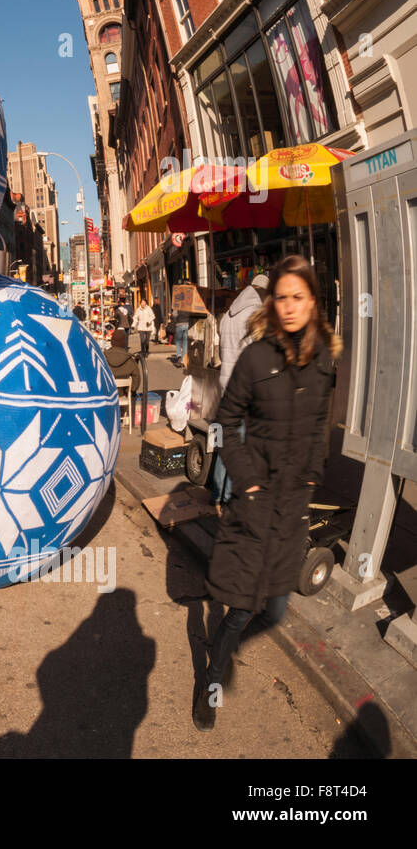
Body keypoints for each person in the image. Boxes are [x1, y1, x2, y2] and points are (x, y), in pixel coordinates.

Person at [193, 255, 341, 732]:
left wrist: (314, 472)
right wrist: (248, 480)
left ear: (313, 302)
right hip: (255, 503)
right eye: (281, 297)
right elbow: (225, 421)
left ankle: (225, 645)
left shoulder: (322, 359)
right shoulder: (257, 358)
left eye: (298, 297)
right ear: (271, 303)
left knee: (275, 609)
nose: (290, 306)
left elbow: (319, 421)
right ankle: (212, 680)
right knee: (240, 608)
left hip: (293, 506)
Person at [211, 273, 270, 508]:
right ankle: (229, 495)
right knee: (240, 442)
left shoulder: (228, 315)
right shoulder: (255, 315)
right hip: (245, 387)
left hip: (226, 383)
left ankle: (217, 491)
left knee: (225, 439)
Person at [105, 328, 143, 399]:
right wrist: (131, 391)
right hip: (123, 395)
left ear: (112, 342)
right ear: (124, 343)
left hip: (106, 394)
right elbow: (136, 378)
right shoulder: (130, 360)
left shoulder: (103, 357)